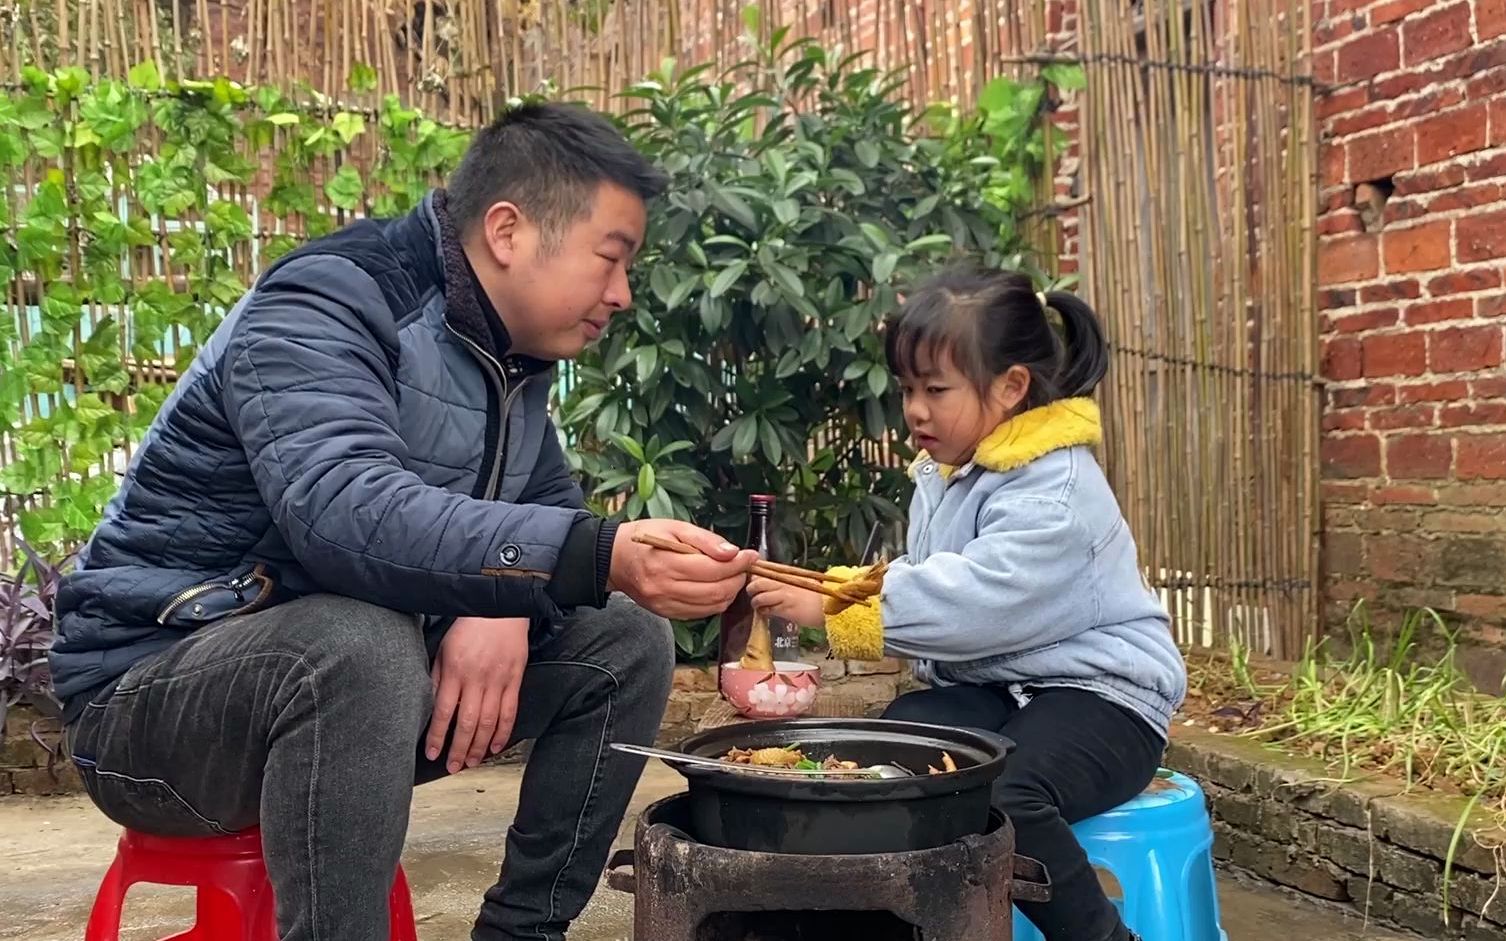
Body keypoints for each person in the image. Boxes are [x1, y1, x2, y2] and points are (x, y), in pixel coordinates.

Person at [49, 102, 758, 941]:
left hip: (342, 692)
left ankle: (523, 930)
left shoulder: (513, 363)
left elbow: (547, 533)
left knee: (625, 637)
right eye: (611, 259)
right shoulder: (326, 302)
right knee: (358, 646)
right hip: (147, 708)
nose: (623, 294)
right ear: (508, 231)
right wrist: (561, 564)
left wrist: (508, 599)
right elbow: (342, 511)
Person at [747, 266, 1187, 941]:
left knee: (1003, 792)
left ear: (1010, 387)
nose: (915, 409)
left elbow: (980, 601)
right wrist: (842, 586)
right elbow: (936, 576)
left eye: (936, 389)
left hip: (1105, 699)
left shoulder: (1057, 488)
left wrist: (840, 607)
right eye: (907, 390)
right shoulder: (949, 472)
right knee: (891, 751)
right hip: (996, 687)